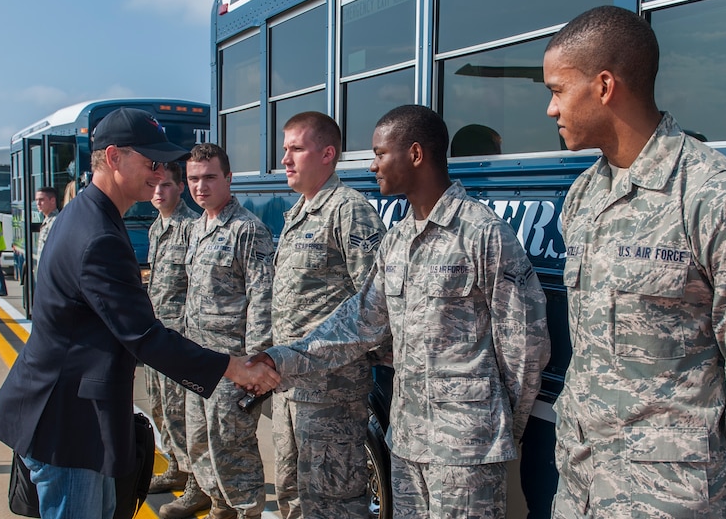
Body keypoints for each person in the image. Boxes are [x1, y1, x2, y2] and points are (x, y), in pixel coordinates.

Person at [542, 6, 726, 518]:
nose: (551, 110)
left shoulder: (719, 199)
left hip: (668, 500)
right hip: (580, 485)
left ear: (603, 85)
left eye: (556, 90)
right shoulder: (584, 196)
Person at [252, 105, 551, 518]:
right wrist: (279, 358)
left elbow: (525, 345)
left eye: (379, 154)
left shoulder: (482, 234)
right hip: (408, 445)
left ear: (414, 154)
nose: (372, 165)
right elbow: (358, 323)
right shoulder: (396, 243)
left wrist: (497, 429)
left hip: (467, 452)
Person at [0, 108, 280, 519]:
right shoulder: (98, 234)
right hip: (70, 428)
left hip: (76, 420)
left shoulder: (93, 216)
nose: (160, 174)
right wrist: (232, 368)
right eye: (150, 162)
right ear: (113, 157)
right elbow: (143, 336)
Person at [271, 112, 387, 518]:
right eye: (285, 149)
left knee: (335, 503)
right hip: (289, 389)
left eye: (296, 149)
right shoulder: (299, 213)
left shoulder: (348, 211)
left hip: (331, 395)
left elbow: (377, 301)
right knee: (293, 494)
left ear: (326, 154)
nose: (285, 158)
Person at [182, 143, 275, 519]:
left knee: (232, 447)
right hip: (196, 361)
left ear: (229, 178)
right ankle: (219, 505)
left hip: (231, 366)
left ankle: (246, 510)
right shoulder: (195, 227)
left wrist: (253, 365)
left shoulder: (248, 230)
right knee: (200, 444)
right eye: (193, 179)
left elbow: (262, 298)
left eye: (209, 177)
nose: (200, 186)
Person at [142, 163, 212, 519]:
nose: (158, 192)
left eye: (165, 186)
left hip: (178, 339)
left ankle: (197, 487)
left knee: (182, 415)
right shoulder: (157, 228)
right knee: (160, 409)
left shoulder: (190, 227)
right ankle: (176, 466)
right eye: (153, 186)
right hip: (156, 337)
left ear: (180, 188)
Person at [35, 186, 59, 260]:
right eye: (36, 200)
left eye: (41, 200)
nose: (38, 203)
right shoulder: (46, 221)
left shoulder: (55, 222)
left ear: (52, 200)